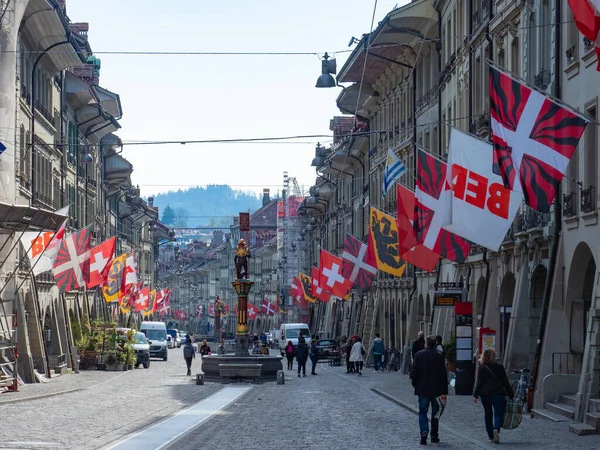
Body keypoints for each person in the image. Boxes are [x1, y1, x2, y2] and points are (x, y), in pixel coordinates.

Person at [411, 335, 448, 446]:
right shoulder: (439, 357)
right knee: (435, 413)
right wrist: (444, 391)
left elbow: (414, 374)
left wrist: (416, 386)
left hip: (422, 389)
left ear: (426, 344)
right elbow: (443, 375)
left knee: (422, 412)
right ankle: (434, 435)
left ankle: (424, 432)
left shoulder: (418, 355)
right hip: (436, 390)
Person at [473, 348, 514, 444]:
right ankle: (496, 429)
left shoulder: (482, 367)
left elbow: (479, 383)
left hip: (485, 394)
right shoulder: (499, 367)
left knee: (488, 414)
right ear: (493, 357)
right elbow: (505, 382)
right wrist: (511, 394)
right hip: (498, 393)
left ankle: (491, 435)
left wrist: (475, 395)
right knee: (498, 414)